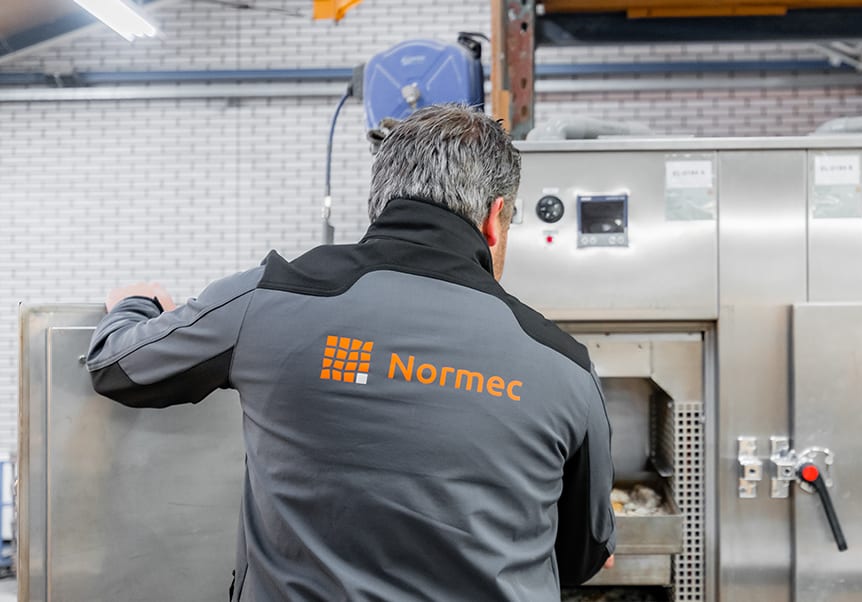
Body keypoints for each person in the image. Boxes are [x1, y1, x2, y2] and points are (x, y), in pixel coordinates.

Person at [85, 105, 616, 601]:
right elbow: (581, 555)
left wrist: (134, 303)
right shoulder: (565, 365)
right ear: (495, 219)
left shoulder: (268, 298)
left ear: (378, 201)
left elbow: (117, 365)